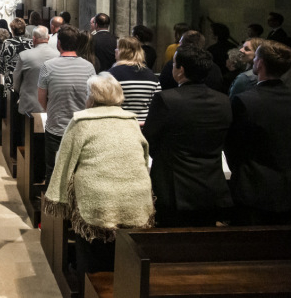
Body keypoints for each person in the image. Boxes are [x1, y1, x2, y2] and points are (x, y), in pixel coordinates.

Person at [43, 73, 154, 280]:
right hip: (136, 196)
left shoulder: (81, 121)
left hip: (96, 199)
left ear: (92, 98)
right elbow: (144, 156)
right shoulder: (130, 120)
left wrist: (58, 195)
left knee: (92, 246)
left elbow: (64, 160)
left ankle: (88, 278)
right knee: (121, 250)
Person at [143, 46, 233, 227]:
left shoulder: (166, 99)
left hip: (173, 188)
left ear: (181, 70)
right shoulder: (224, 100)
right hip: (211, 185)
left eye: (174, 64)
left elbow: (149, 140)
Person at [224, 41, 291, 225]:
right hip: (288, 187)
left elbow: (233, 145)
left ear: (260, 63)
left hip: (252, 188)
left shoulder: (245, 101)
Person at [38, 25, 97, 186]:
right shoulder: (89, 67)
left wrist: (51, 111)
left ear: (59, 44)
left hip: (56, 127)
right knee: (78, 172)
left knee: (53, 171)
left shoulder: (48, 66)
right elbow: (92, 98)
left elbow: (41, 98)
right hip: (80, 127)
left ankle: (52, 202)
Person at [108, 36, 162, 124]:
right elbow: (157, 105)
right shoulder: (152, 77)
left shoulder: (111, 75)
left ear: (123, 51)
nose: (115, 50)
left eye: (117, 48)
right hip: (144, 126)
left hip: (121, 124)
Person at [0, 18, 33, 91]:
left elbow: (1, 64)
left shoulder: (7, 43)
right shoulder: (31, 43)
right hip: (27, 81)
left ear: (12, 30)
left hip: (11, 80)